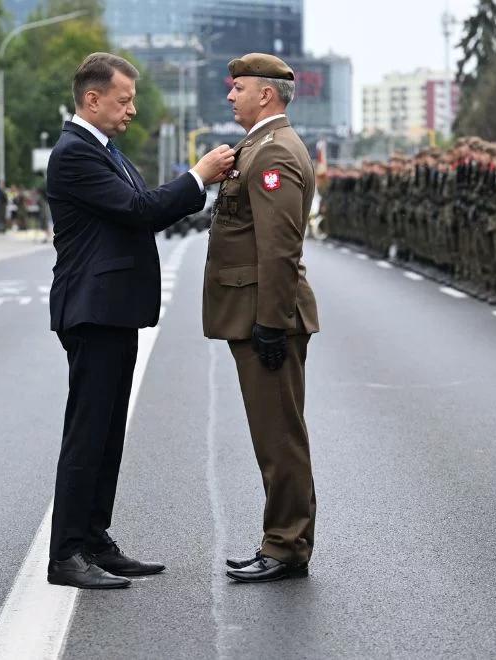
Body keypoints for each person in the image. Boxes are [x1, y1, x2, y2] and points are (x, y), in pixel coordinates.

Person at [44, 52, 234, 589]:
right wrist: (197, 175)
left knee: (107, 434)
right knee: (87, 432)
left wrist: (191, 191)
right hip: (93, 310)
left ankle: (94, 537)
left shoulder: (106, 151)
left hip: (113, 309)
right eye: (124, 100)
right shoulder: (75, 154)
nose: (131, 109)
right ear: (92, 99)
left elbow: (146, 206)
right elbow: (140, 211)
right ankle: (65, 554)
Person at [203, 53, 320, 583]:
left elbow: (278, 248)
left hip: (265, 314)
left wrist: (271, 321)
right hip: (256, 311)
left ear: (266, 95)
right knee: (272, 433)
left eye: (239, 87)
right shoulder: (257, 148)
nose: (231, 95)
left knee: (278, 437)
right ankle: (283, 540)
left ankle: (287, 544)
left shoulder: (273, 154)